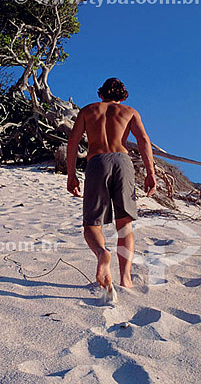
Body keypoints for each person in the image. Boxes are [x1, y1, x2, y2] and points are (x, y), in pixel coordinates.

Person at [66, 78, 156, 289]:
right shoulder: (130, 111)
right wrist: (150, 172)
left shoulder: (88, 110)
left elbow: (73, 142)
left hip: (97, 162)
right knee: (124, 224)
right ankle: (125, 278)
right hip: (122, 162)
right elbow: (143, 140)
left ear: (101, 95)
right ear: (123, 96)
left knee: (91, 225)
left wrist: (71, 174)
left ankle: (101, 253)